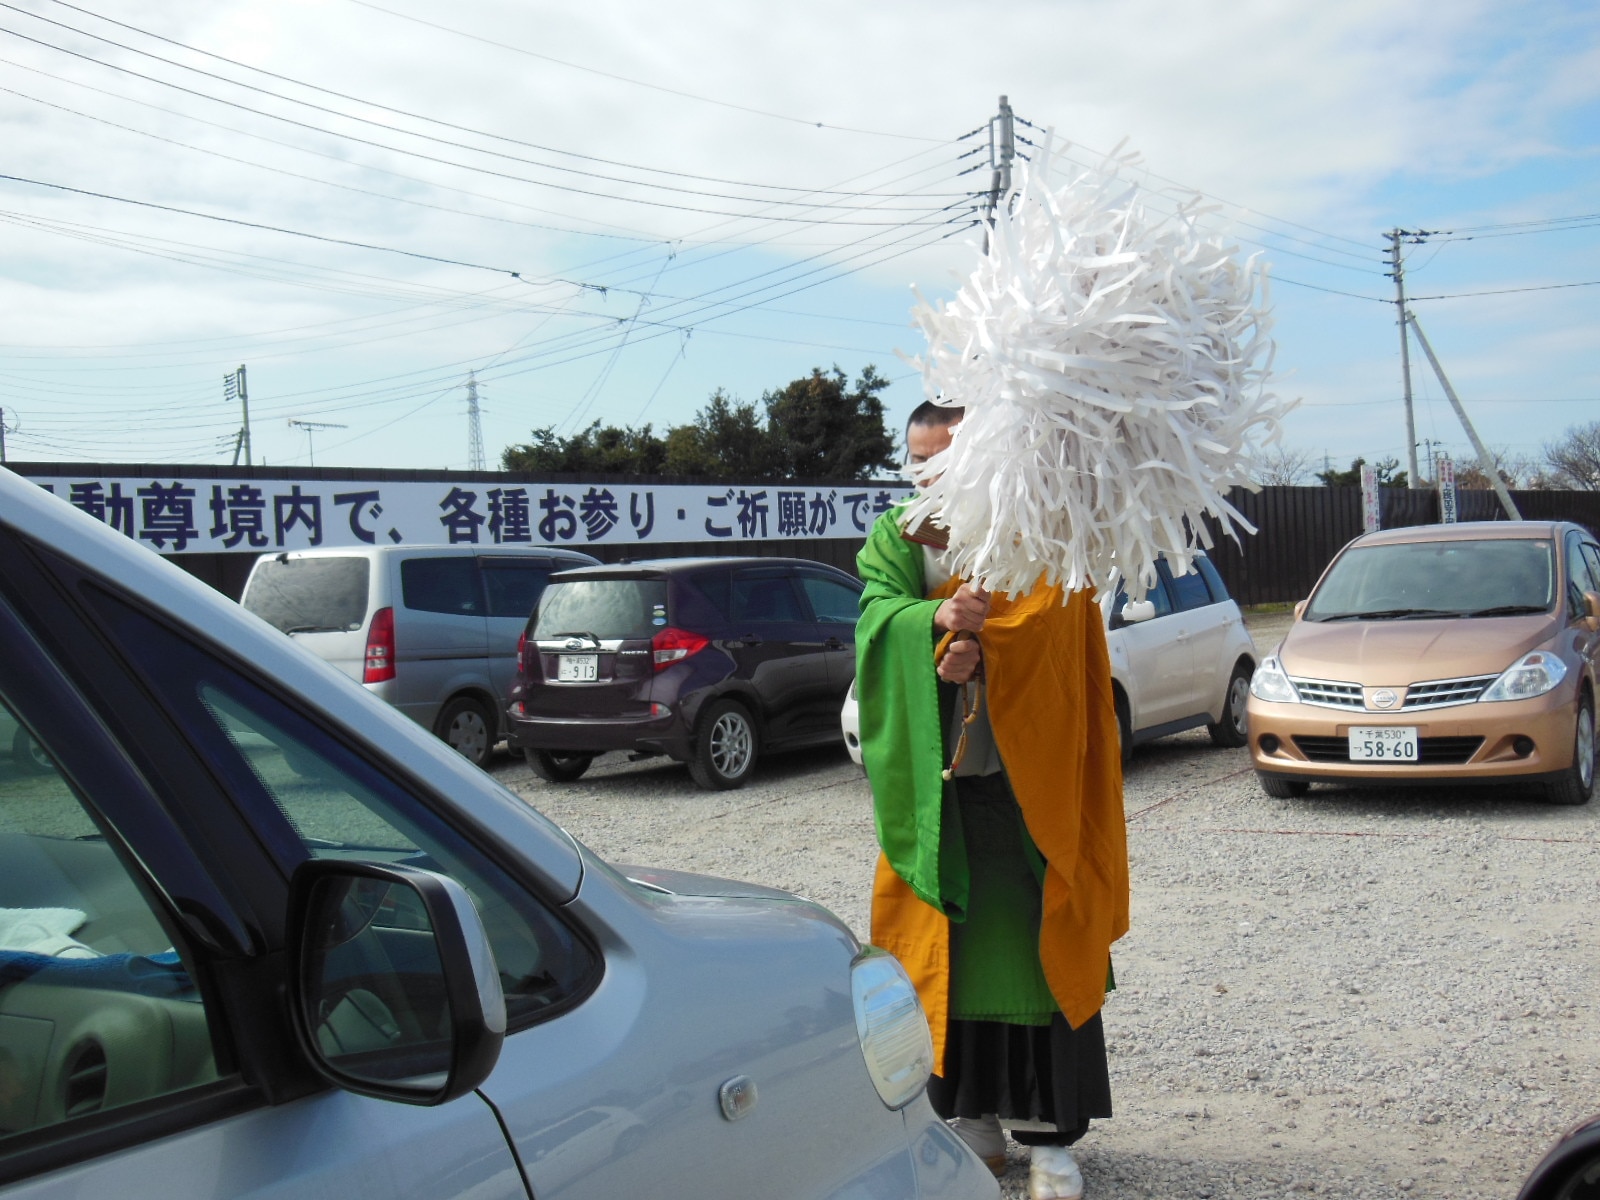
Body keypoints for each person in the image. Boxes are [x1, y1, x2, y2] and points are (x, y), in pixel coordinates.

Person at [855, 401, 1129, 1200]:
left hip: (1025, 795)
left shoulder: (1046, 533)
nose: (930, 478)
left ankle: (1050, 1139)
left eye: (947, 461)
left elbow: (1058, 623)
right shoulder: (898, 535)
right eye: (919, 463)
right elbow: (875, 615)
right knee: (947, 957)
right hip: (943, 802)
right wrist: (931, 622)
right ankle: (969, 1116)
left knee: (1043, 952)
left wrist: (991, 640)